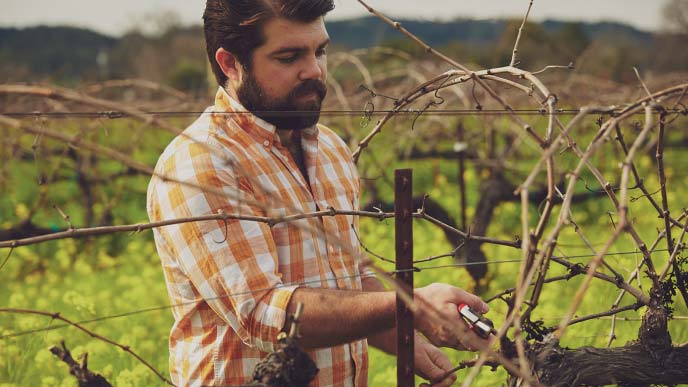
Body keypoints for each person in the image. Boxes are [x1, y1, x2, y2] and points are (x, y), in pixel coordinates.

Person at [147, 1, 492, 386]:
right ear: (230, 64)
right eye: (289, 56)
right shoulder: (201, 164)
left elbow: (348, 279)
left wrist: (404, 338)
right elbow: (261, 313)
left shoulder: (328, 149)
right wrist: (412, 306)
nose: (314, 70)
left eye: (320, 51)